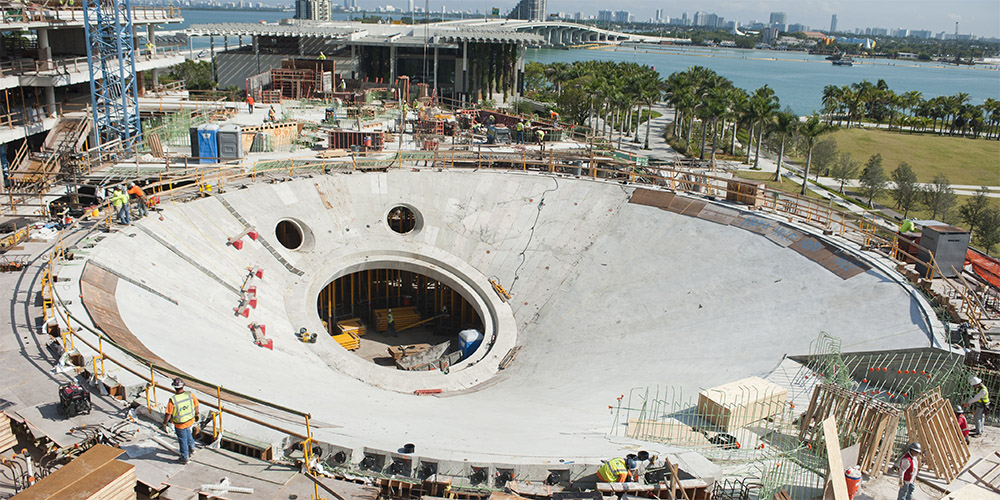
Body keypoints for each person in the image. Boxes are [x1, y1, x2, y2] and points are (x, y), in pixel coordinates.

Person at [162, 378, 199, 464]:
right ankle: (192, 448)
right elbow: (196, 406)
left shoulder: (173, 400)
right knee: (188, 433)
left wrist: (164, 423)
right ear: (183, 385)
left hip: (180, 424)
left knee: (182, 440)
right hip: (190, 420)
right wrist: (196, 415)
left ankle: (184, 457)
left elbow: (168, 414)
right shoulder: (189, 394)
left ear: (174, 387)